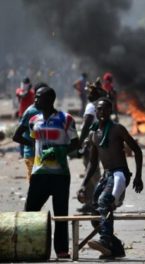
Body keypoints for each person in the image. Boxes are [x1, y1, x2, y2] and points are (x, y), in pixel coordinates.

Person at [77, 97, 143, 259]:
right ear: (96, 111)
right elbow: (93, 164)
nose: (102, 112)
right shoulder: (93, 134)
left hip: (120, 173)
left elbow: (137, 150)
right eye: (99, 109)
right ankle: (116, 247)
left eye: (106, 109)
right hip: (106, 175)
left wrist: (138, 176)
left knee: (104, 201)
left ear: (110, 112)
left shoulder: (117, 129)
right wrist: (83, 185)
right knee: (94, 210)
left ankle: (105, 241)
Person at [25, 87, 79, 258]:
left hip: (60, 174)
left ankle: (62, 250)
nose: (35, 100)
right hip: (39, 172)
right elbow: (35, 142)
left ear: (49, 100)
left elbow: (76, 143)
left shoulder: (66, 119)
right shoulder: (33, 119)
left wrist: (60, 151)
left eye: (38, 98)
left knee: (61, 213)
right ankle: (31, 247)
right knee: (31, 212)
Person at [76, 79, 106, 214]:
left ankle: (99, 201)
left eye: (90, 92)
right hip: (95, 143)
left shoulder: (91, 106)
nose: (87, 94)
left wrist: (79, 142)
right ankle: (89, 203)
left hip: (89, 144)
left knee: (93, 173)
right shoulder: (99, 106)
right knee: (91, 173)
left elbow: (87, 125)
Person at [12, 82, 48, 181]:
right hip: (31, 155)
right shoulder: (31, 112)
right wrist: (33, 144)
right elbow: (16, 136)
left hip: (45, 155)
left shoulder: (48, 111)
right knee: (35, 187)